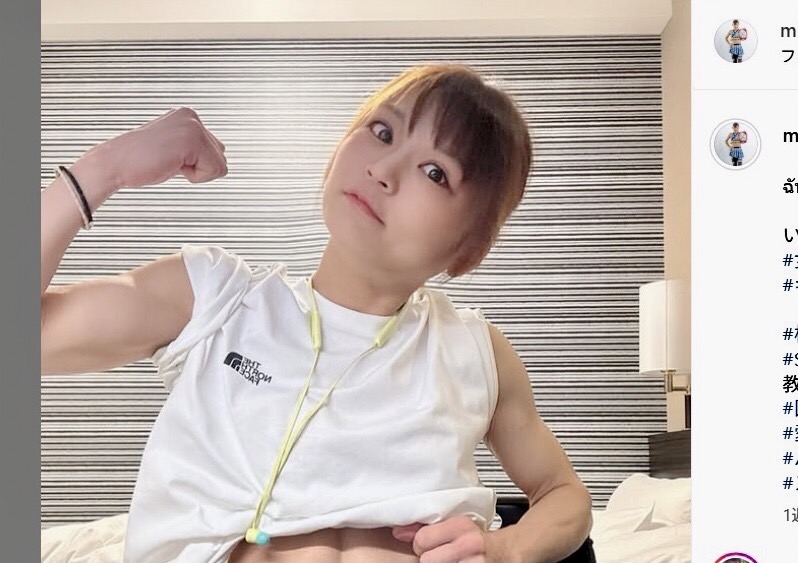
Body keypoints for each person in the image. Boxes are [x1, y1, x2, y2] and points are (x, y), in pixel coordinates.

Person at [41, 64, 594, 563]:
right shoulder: (214, 297)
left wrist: (507, 547)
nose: (384, 169)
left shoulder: (475, 351)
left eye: (435, 172)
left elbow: (564, 495)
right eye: (382, 132)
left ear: (468, 249)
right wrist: (104, 169)